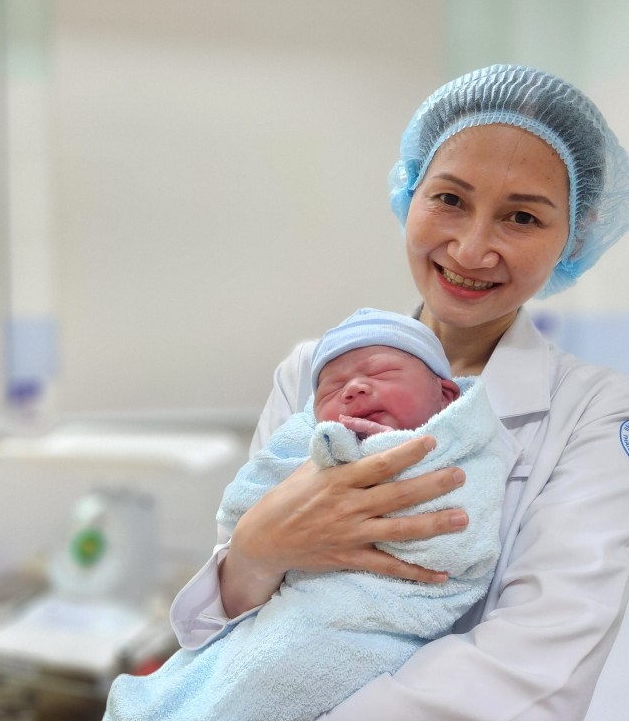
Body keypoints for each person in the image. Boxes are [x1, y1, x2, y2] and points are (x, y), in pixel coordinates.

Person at [171, 64, 629, 720]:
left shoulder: (598, 413)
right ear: (410, 190)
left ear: (574, 234)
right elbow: (225, 615)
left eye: (521, 217)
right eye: (450, 199)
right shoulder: (313, 370)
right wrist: (256, 552)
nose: (471, 249)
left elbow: (537, 667)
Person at [104, 308, 519, 720]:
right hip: (285, 613)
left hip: (378, 626)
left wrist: (387, 457)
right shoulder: (304, 443)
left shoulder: (468, 448)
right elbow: (246, 506)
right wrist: (257, 541)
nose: (354, 388)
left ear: (446, 395)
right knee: (195, 686)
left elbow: (462, 547)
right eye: (332, 389)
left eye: (382, 373)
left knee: (261, 681)